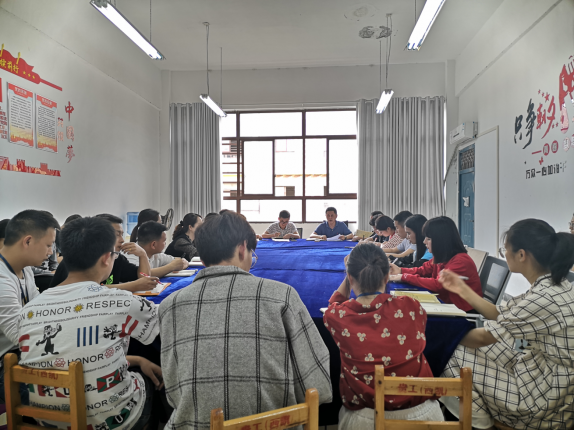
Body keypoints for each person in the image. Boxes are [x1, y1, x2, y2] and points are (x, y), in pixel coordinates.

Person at [159, 211, 332, 429]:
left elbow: (174, 392)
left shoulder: (170, 306)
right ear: (243, 248)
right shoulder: (283, 297)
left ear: (201, 257)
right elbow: (317, 386)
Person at [18, 216, 163, 430]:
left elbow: (73, 358)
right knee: (155, 379)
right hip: (110, 421)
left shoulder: (28, 310)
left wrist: (136, 359)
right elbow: (164, 327)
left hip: (48, 420)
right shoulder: (122, 302)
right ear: (106, 258)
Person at [439, 219, 574, 429]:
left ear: (521, 255)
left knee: (452, 352)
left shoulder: (543, 299)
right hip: (538, 365)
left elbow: (482, 338)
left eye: (505, 250)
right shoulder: (553, 285)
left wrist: (432, 332)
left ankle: (478, 422)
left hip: (544, 396)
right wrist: (462, 288)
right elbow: (501, 314)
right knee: (479, 346)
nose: (504, 254)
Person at [324, 243, 443, 429]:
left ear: (350, 278)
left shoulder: (337, 316)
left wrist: (348, 276)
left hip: (366, 417)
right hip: (424, 415)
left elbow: (334, 303)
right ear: (387, 277)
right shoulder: (411, 307)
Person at [0, 210, 59, 405]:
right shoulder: (2, 278)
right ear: (28, 241)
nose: (50, 252)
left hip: (21, 354)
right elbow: (18, 335)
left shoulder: (25, 269)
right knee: (67, 394)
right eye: (48, 245)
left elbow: (40, 308)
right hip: (6, 363)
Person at [388, 216, 481, 311]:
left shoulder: (460, 261)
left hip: (461, 312)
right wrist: (400, 270)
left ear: (441, 240)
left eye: (428, 239)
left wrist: (404, 277)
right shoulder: (441, 257)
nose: (424, 242)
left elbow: (438, 285)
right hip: (445, 304)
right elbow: (423, 270)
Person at [50, 214, 157, 292]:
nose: (122, 240)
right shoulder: (78, 259)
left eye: (122, 234)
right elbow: (82, 289)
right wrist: (132, 286)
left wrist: (143, 255)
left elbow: (144, 280)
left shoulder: (117, 258)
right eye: (117, 235)